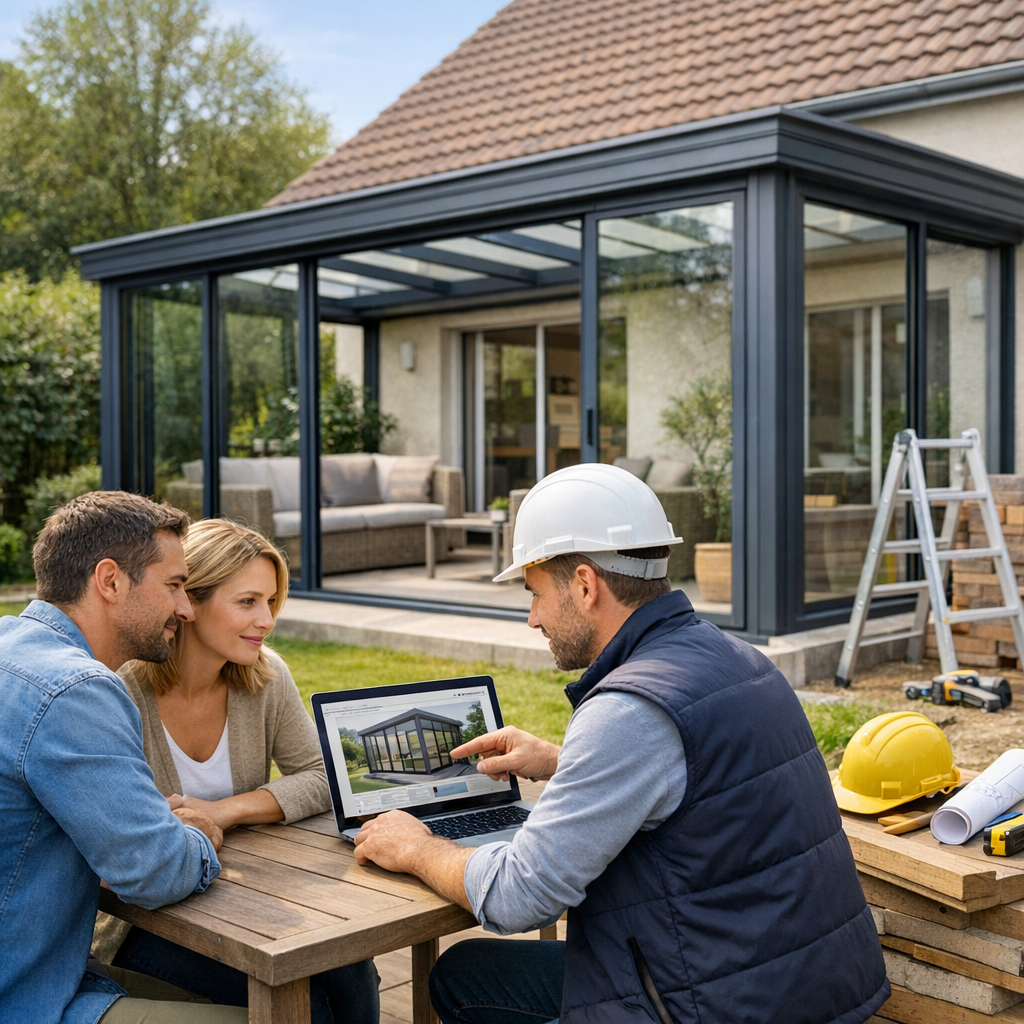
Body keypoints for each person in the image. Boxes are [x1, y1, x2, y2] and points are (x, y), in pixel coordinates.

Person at [352, 464, 889, 1024]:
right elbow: (703, 789)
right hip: (797, 986)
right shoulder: (735, 659)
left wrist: (418, 847)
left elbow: (518, 898)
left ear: (585, 585)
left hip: (706, 1004)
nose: (533, 618)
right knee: (469, 971)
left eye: (535, 594)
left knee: (465, 981)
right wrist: (564, 762)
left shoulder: (627, 711)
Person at [95, 518, 380, 1024]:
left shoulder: (264, 674)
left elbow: (320, 774)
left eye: (271, 602)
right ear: (190, 601)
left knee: (353, 968)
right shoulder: (118, 690)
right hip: (144, 923)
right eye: (247, 602)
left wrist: (223, 812)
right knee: (308, 1007)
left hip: (248, 898)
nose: (266, 619)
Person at [0, 491, 246, 1024]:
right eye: (175, 586)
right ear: (109, 581)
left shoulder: (8, 645)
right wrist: (198, 831)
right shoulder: (75, 689)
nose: (185, 607)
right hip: (29, 995)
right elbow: (154, 871)